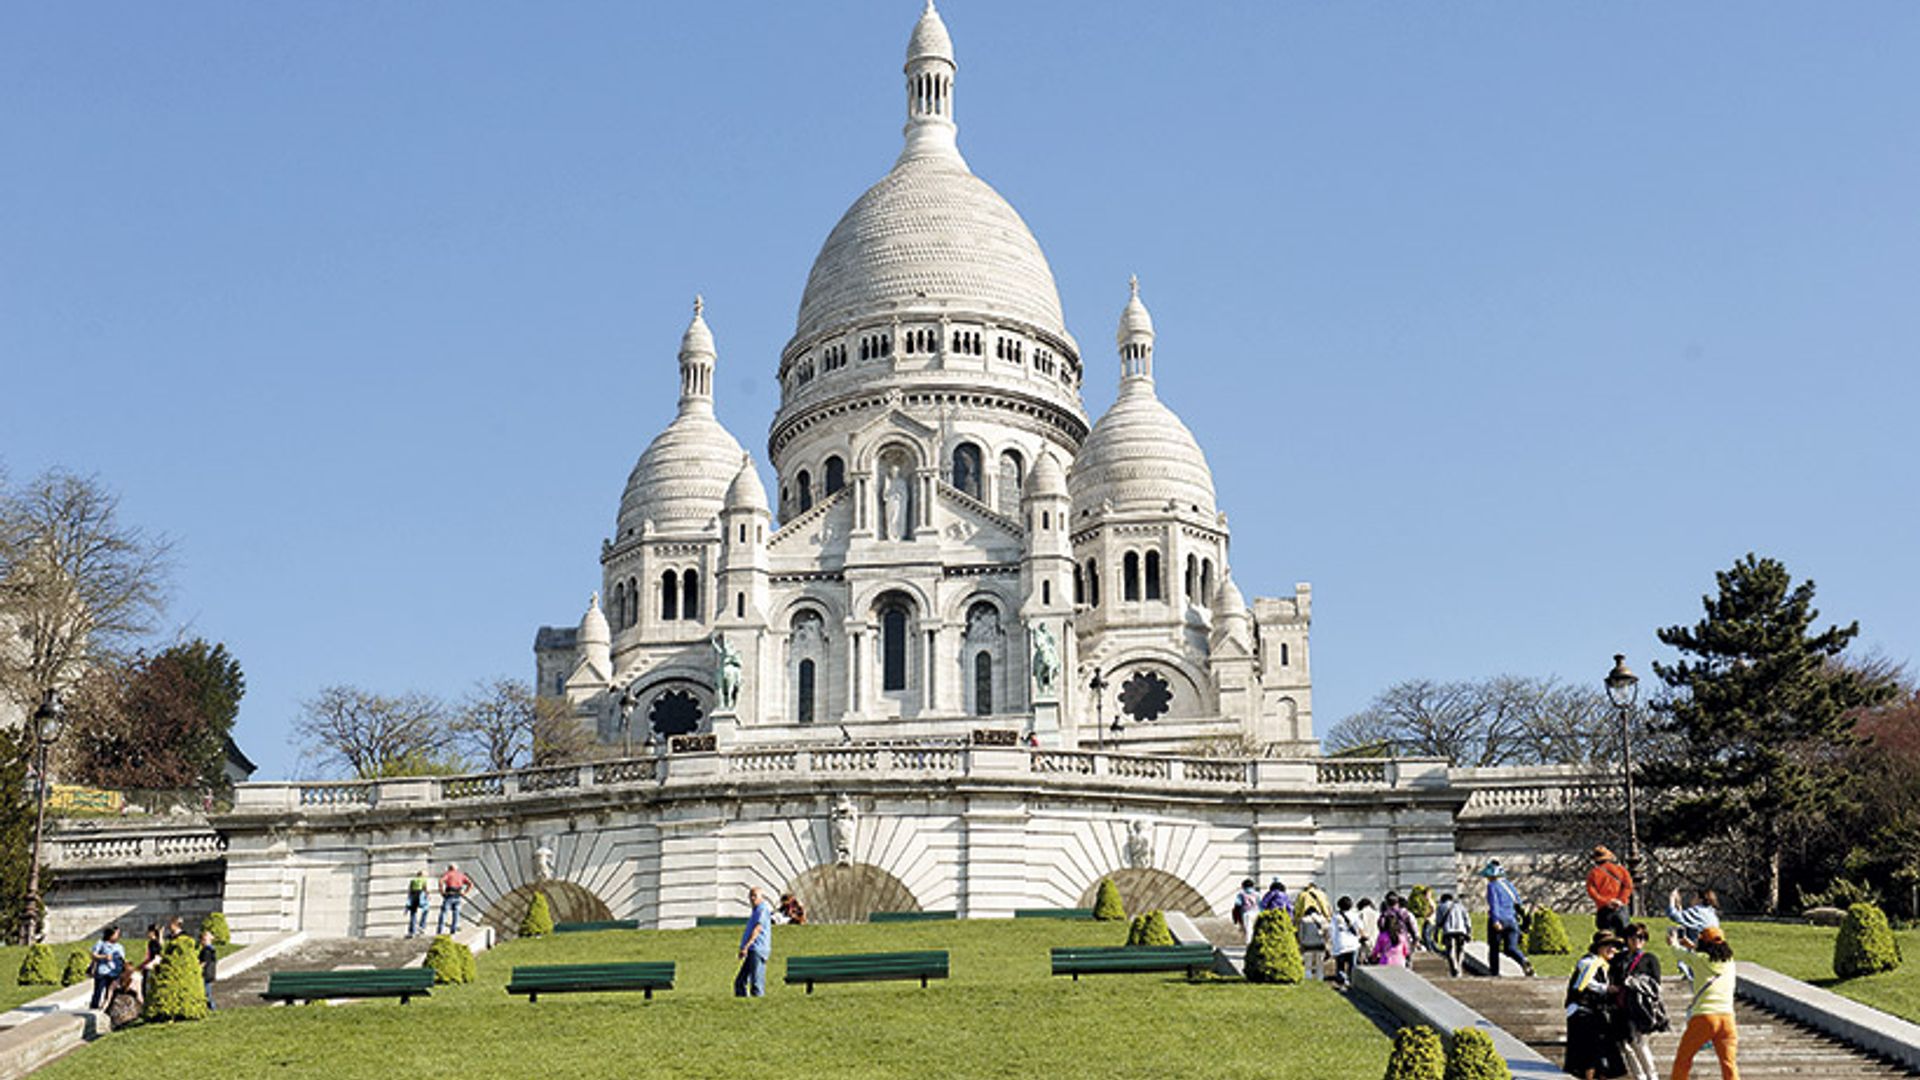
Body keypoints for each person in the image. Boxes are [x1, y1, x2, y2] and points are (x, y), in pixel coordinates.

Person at [1671, 926, 1739, 1080]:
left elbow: (1679, 953)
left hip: (1704, 1016)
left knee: (1683, 1059)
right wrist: (1693, 946)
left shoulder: (1699, 959)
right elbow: (1711, 953)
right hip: (1727, 1018)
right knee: (1729, 1064)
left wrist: (1674, 942)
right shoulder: (1730, 962)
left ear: (1703, 943)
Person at [1565, 931, 1626, 1079]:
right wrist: (1606, 988)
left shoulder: (1603, 966)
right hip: (1582, 1012)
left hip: (1593, 1012)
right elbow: (1584, 984)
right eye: (1608, 946)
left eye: (1614, 946)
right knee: (1590, 1054)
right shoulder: (1590, 962)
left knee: (1600, 1052)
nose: (1612, 949)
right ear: (1598, 947)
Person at [1612, 922, 1668, 1080]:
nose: (1638, 940)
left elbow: (1656, 985)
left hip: (1640, 1007)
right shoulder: (1619, 958)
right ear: (1627, 938)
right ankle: (1639, 1076)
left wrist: (1636, 982)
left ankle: (1652, 1075)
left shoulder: (1649, 959)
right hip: (1621, 1006)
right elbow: (1614, 979)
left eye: (1642, 937)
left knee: (1639, 1042)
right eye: (1634, 937)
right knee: (1625, 1045)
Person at [1482, 860, 1535, 977]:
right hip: (1512, 920)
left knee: (1494, 949)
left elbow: (1494, 904)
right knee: (1511, 948)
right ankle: (1523, 960)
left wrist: (1495, 920)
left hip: (1499, 919)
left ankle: (1494, 973)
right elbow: (1518, 902)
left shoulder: (1492, 886)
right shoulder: (1508, 885)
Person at [734, 886, 774, 997]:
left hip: (757, 949)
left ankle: (758, 1007)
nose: (752, 898)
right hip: (752, 950)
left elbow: (758, 928)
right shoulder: (756, 911)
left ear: (761, 897)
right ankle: (743, 1006)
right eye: (750, 896)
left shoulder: (762, 909)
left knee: (756, 984)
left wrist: (746, 946)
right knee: (740, 982)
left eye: (755, 896)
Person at [1587, 846, 1635, 935]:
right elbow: (1628, 886)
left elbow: (1591, 891)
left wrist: (1606, 901)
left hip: (1604, 909)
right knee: (1624, 936)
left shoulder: (1593, 873)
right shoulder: (1621, 870)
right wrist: (1620, 900)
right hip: (1621, 907)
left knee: (1605, 938)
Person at [1371, 894, 1416, 967]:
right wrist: (1414, 940)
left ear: (1387, 903)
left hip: (1387, 942)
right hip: (1403, 941)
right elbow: (1411, 928)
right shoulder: (1404, 913)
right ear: (1397, 902)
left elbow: (1380, 928)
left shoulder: (1384, 915)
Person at [1328, 896, 1363, 989]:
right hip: (1353, 944)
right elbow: (1360, 928)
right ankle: (1352, 982)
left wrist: (1331, 942)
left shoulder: (1336, 917)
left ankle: (1342, 982)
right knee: (1352, 965)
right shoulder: (1355, 915)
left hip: (1340, 943)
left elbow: (1331, 930)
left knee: (1340, 966)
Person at [88, 926, 126, 1011]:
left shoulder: (119, 946)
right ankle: (94, 1009)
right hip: (103, 972)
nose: (117, 936)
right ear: (110, 935)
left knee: (111, 993)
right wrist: (104, 957)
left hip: (115, 973)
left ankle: (108, 1009)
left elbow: (123, 959)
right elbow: (93, 955)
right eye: (116, 934)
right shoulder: (101, 943)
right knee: (98, 992)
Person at [1437, 892, 1473, 978]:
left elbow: (1438, 921)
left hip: (1448, 931)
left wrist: (1436, 932)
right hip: (1461, 931)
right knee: (1460, 950)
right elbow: (1467, 919)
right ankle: (1459, 966)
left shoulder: (1441, 907)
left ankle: (1454, 967)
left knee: (1450, 951)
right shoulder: (1460, 906)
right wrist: (1469, 931)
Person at [1296, 901, 1329, 981]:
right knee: (1320, 963)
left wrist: (1300, 943)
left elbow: (1300, 933)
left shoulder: (1303, 920)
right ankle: (1320, 977)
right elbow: (1327, 932)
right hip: (1320, 943)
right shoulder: (1323, 919)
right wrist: (1326, 942)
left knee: (1308, 963)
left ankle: (1308, 976)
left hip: (1307, 943)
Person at [437, 863, 473, 935]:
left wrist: (442, 892)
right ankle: (453, 931)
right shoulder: (461, 875)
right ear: (456, 868)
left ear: (449, 868)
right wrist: (465, 892)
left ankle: (440, 931)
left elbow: (441, 881)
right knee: (456, 913)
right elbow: (470, 884)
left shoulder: (448, 874)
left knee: (444, 913)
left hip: (449, 895)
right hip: (458, 895)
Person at [1231, 878, 1262, 947]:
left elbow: (1237, 905)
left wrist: (1236, 917)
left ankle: (1249, 945)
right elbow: (1261, 904)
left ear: (1243, 886)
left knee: (1248, 929)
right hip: (1257, 912)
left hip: (1246, 913)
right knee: (1256, 929)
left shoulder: (1241, 894)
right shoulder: (1257, 894)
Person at [406, 868, 432, 937]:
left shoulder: (413, 880)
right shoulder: (423, 880)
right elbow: (425, 888)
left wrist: (409, 900)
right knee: (426, 910)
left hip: (414, 897)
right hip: (421, 896)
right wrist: (428, 896)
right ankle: (422, 926)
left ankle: (412, 931)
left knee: (413, 913)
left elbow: (410, 891)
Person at [198, 929, 219, 1012]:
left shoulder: (207, 950)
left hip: (206, 974)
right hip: (209, 973)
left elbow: (204, 962)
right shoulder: (210, 950)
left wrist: (198, 968)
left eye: (204, 939)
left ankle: (212, 1007)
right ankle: (209, 1007)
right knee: (207, 992)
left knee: (207, 993)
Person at [1355, 898, 1379, 962]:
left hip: (1363, 941)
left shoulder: (1360, 914)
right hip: (1375, 940)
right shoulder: (1377, 914)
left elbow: (1358, 928)